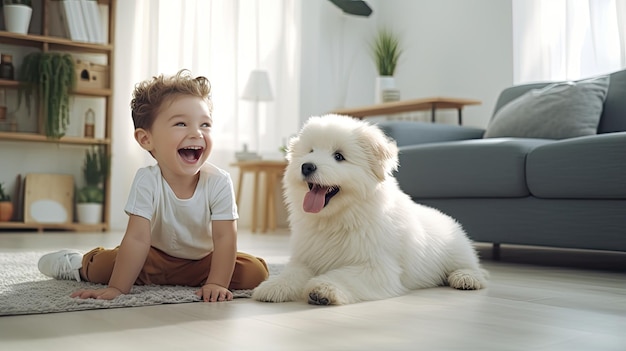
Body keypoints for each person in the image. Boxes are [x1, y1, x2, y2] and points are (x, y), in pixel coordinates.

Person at [38, 69, 269, 302]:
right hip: (151, 258)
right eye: (181, 123)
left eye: (205, 124)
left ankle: (186, 278)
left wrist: (217, 283)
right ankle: (79, 264)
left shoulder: (218, 181)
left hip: (202, 261)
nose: (197, 133)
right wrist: (117, 289)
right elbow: (137, 239)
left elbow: (224, 239)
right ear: (146, 139)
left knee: (255, 272)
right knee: (106, 269)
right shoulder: (147, 180)